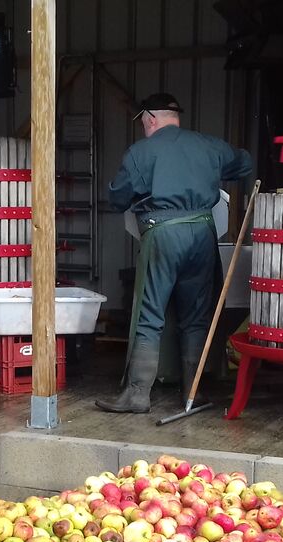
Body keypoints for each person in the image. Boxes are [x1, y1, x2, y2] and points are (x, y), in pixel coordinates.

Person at [96, 93, 254, 414]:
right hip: (202, 233)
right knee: (195, 317)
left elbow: (117, 198)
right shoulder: (208, 146)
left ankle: (138, 394)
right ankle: (192, 394)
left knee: (149, 314)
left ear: (151, 119)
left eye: (143, 123)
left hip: (163, 234)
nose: (144, 129)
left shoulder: (141, 153)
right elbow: (245, 162)